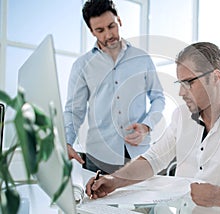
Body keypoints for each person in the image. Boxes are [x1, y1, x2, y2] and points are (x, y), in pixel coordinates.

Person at [85, 42, 220, 209]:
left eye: (189, 83)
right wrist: (114, 180)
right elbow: (153, 159)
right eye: (180, 84)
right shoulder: (181, 116)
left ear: (215, 77)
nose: (181, 92)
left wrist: (218, 196)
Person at [64, 0, 165, 174]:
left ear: (119, 20)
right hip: (99, 158)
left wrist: (147, 125)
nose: (108, 35)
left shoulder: (142, 58)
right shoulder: (82, 66)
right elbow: (74, 111)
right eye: (100, 30)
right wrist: (67, 142)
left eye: (111, 26)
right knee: (98, 201)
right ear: (91, 31)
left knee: (142, 201)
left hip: (139, 154)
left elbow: (158, 98)